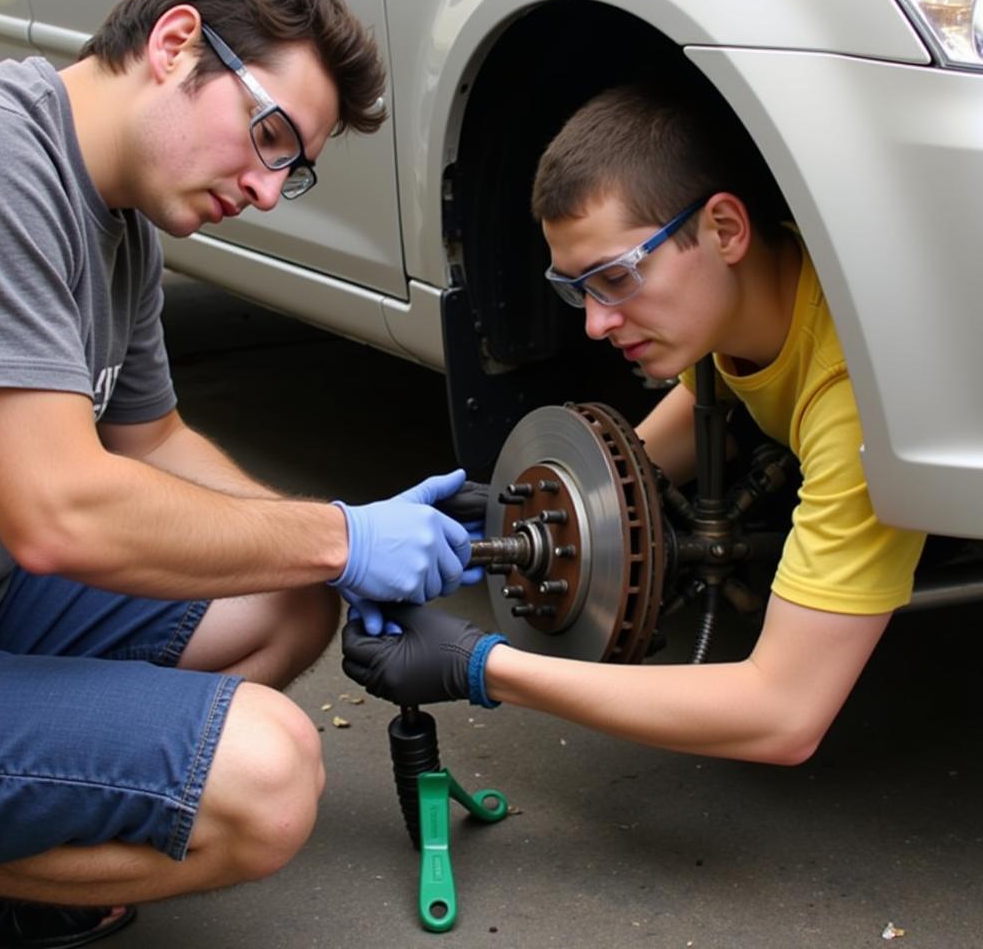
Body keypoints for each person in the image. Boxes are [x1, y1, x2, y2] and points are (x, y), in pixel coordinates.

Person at [0, 0, 480, 948]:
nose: (268, 187)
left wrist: (335, 533)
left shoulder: (119, 223)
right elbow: (58, 511)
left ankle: (44, 802)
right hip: (2, 579)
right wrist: (339, 539)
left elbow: (151, 444)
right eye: (272, 135)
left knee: (286, 594)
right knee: (266, 779)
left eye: (296, 168)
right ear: (175, 43)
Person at [342, 80, 928, 770]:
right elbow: (671, 441)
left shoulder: (858, 401)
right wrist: (547, 513)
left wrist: (480, 669)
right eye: (577, 289)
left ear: (725, 229)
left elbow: (784, 714)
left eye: (615, 277)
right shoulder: (744, 302)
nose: (594, 323)